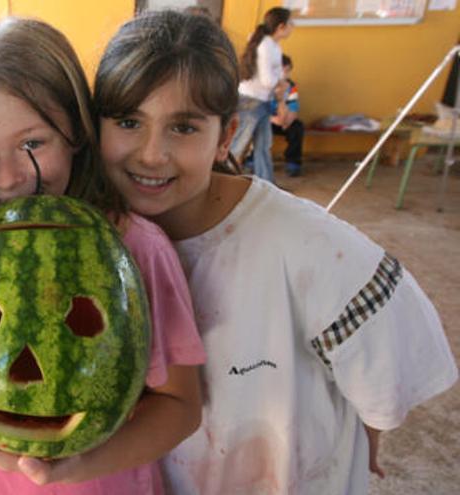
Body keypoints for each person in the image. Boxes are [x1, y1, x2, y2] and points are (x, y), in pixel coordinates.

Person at [93, 10, 458, 494]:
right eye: (127, 121)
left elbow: (390, 372)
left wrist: (361, 438)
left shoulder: (307, 244)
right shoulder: (91, 241)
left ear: (225, 135)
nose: (151, 154)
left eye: (183, 128)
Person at [0, 17, 206, 495]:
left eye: (31, 144)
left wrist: (71, 467)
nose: (7, 179)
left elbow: (180, 407)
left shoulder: (133, 246)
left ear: (76, 133)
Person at [229, 6, 294, 183]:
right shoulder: (266, 46)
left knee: (263, 146)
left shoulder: (274, 46)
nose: (292, 27)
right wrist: (280, 84)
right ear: (281, 26)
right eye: (290, 23)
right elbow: (267, 80)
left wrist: (281, 83)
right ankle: (221, 179)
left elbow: (276, 75)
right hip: (250, 102)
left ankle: (266, 184)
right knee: (237, 145)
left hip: (262, 101)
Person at [270, 54, 304, 177]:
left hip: (284, 120)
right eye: (282, 70)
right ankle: (251, 159)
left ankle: (293, 163)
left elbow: (293, 110)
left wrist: (286, 120)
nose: (285, 74)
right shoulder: (264, 86)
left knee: (297, 127)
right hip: (269, 120)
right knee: (258, 128)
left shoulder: (291, 87)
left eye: (288, 70)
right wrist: (274, 119)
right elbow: (258, 111)